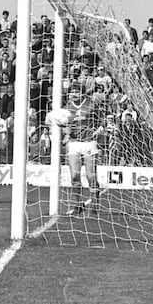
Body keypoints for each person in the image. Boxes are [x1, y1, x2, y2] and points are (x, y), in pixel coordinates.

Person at [63, 84, 104, 216]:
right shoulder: (66, 108)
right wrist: (65, 130)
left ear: (82, 93)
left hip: (89, 143)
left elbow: (103, 121)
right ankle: (77, 204)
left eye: (76, 92)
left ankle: (95, 202)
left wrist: (98, 131)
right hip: (74, 143)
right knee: (74, 175)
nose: (74, 94)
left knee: (90, 176)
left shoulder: (91, 104)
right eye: (71, 92)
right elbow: (61, 124)